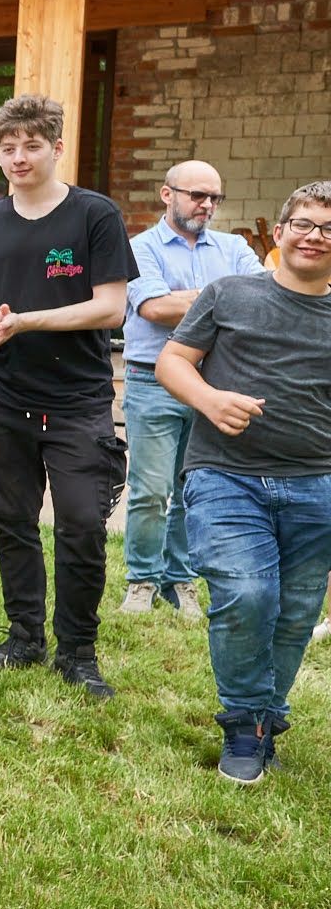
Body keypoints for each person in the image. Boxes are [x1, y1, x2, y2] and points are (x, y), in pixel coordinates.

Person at [0, 95, 136, 699]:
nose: (18, 157)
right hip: (2, 399)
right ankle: (25, 636)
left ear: (57, 147)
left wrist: (24, 322)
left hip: (78, 402)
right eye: (8, 148)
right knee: (11, 520)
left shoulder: (94, 215)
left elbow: (110, 307)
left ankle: (78, 651)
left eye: (31, 145)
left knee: (82, 525)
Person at [156, 181, 331, 783]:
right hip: (225, 474)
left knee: (296, 612)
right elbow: (172, 361)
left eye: (328, 229)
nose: (315, 236)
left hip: (316, 482)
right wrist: (208, 399)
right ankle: (242, 725)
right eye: (303, 224)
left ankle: (265, 722)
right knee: (248, 595)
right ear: (279, 233)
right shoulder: (229, 293)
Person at [118, 159, 262, 617]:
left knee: (192, 489)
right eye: (197, 195)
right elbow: (154, 309)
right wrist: (224, 296)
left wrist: (189, 298)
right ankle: (142, 580)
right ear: (168, 195)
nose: (207, 205)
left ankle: (179, 580)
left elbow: (262, 299)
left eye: (214, 198)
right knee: (150, 490)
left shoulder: (234, 246)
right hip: (151, 379)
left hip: (214, 383)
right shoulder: (140, 248)